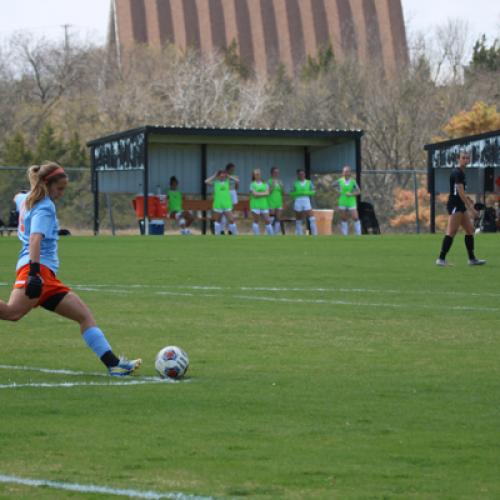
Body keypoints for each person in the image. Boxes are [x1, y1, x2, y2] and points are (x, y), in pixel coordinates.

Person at [0, 162, 142, 376]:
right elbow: (35, 240)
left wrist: (23, 192)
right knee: (12, 313)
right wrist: (35, 273)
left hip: (44, 274)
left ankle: (114, 364)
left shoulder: (27, 199)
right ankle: (114, 365)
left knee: (84, 315)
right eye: (60, 188)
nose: (62, 193)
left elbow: (17, 197)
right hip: (38, 270)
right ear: (47, 185)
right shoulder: (45, 206)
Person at [436, 150, 486, 266]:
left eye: (467, 158)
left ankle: (472, 259)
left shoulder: (462, 173)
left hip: (460, 205)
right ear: (458, 159)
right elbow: (460, 193)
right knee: (451, 231)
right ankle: (441, 259)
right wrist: (471, 209)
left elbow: (462, 193)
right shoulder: (457, 172)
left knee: (470, 230)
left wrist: (468, 200)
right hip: (455, 205)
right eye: (463, 158)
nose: (465, 160)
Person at [205, 170, 238, 235]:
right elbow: (206, 181)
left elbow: (237, 180)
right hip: (218, 205)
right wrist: (214, 176)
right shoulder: (215, 183)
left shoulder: (228, 182)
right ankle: (218, 235)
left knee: (231, 220)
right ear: (218, 176)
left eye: (223, 175)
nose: (222, 177)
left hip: (227, 205)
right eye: (220, 175)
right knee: (217, 221)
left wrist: (229, 176)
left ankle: (234, 234)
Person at [333, 166, 362, 235]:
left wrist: (351, 194)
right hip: (342, 201)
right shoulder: (340, 181)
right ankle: (344, 235)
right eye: (344, 171)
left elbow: (358, 191)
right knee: (343, 218)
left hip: (351, 202)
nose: (345, 173)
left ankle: (358, 234)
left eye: (347, 171)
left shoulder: (353, 181)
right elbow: (333, 185)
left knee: (355, 218)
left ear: (349, 173)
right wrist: (338, 191)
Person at [290, 169, 318, 236]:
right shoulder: (295, 183)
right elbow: (291, 193)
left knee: (312, 218)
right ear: (298, 175)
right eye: (300, 174)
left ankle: (315, 234)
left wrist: (305, 193)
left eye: (303, 174)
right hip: (298, 201)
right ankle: (299, 235)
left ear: (305, 174)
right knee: (298, 219)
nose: (302, 175)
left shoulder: (309, 182)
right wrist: (299, 193)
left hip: (306, 200)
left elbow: (313, 192)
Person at [249, 168, 274, 235]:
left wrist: (259, 193)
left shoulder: (265, 184)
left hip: (264, 205)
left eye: (259, 174)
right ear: (254, 175)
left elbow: (267, 193)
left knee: (267, 221)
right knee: (256, 221)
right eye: (256, 174)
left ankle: (272, 235)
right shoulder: (252, 184)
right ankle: (257, 236)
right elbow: (255, 194)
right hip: (255, 205)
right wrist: (263, 193)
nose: (258, 175)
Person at [220, 163, 239, 234]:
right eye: (231, 169)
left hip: (233, 193)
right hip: (226, 193)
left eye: (233, 169)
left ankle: (230, 229)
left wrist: (234, 191)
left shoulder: (235, 176)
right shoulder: (224, 176)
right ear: (227, 169)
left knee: (231, 212)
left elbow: (237, 185)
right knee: (225, 212)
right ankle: (222, 229)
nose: (233, 170)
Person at [268, 166, 285, 235]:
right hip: (271, 201)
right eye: (275, 172)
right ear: (272, 173)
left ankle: (276, 234)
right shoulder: (269, 181)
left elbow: (283, 193)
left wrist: (282, 187)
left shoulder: (280, 181)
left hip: (279, 202)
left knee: (278, 218)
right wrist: (273, 185)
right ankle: (270, 233)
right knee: (271, 218)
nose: (277, 174)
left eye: (278, 172)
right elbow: (268, 192)